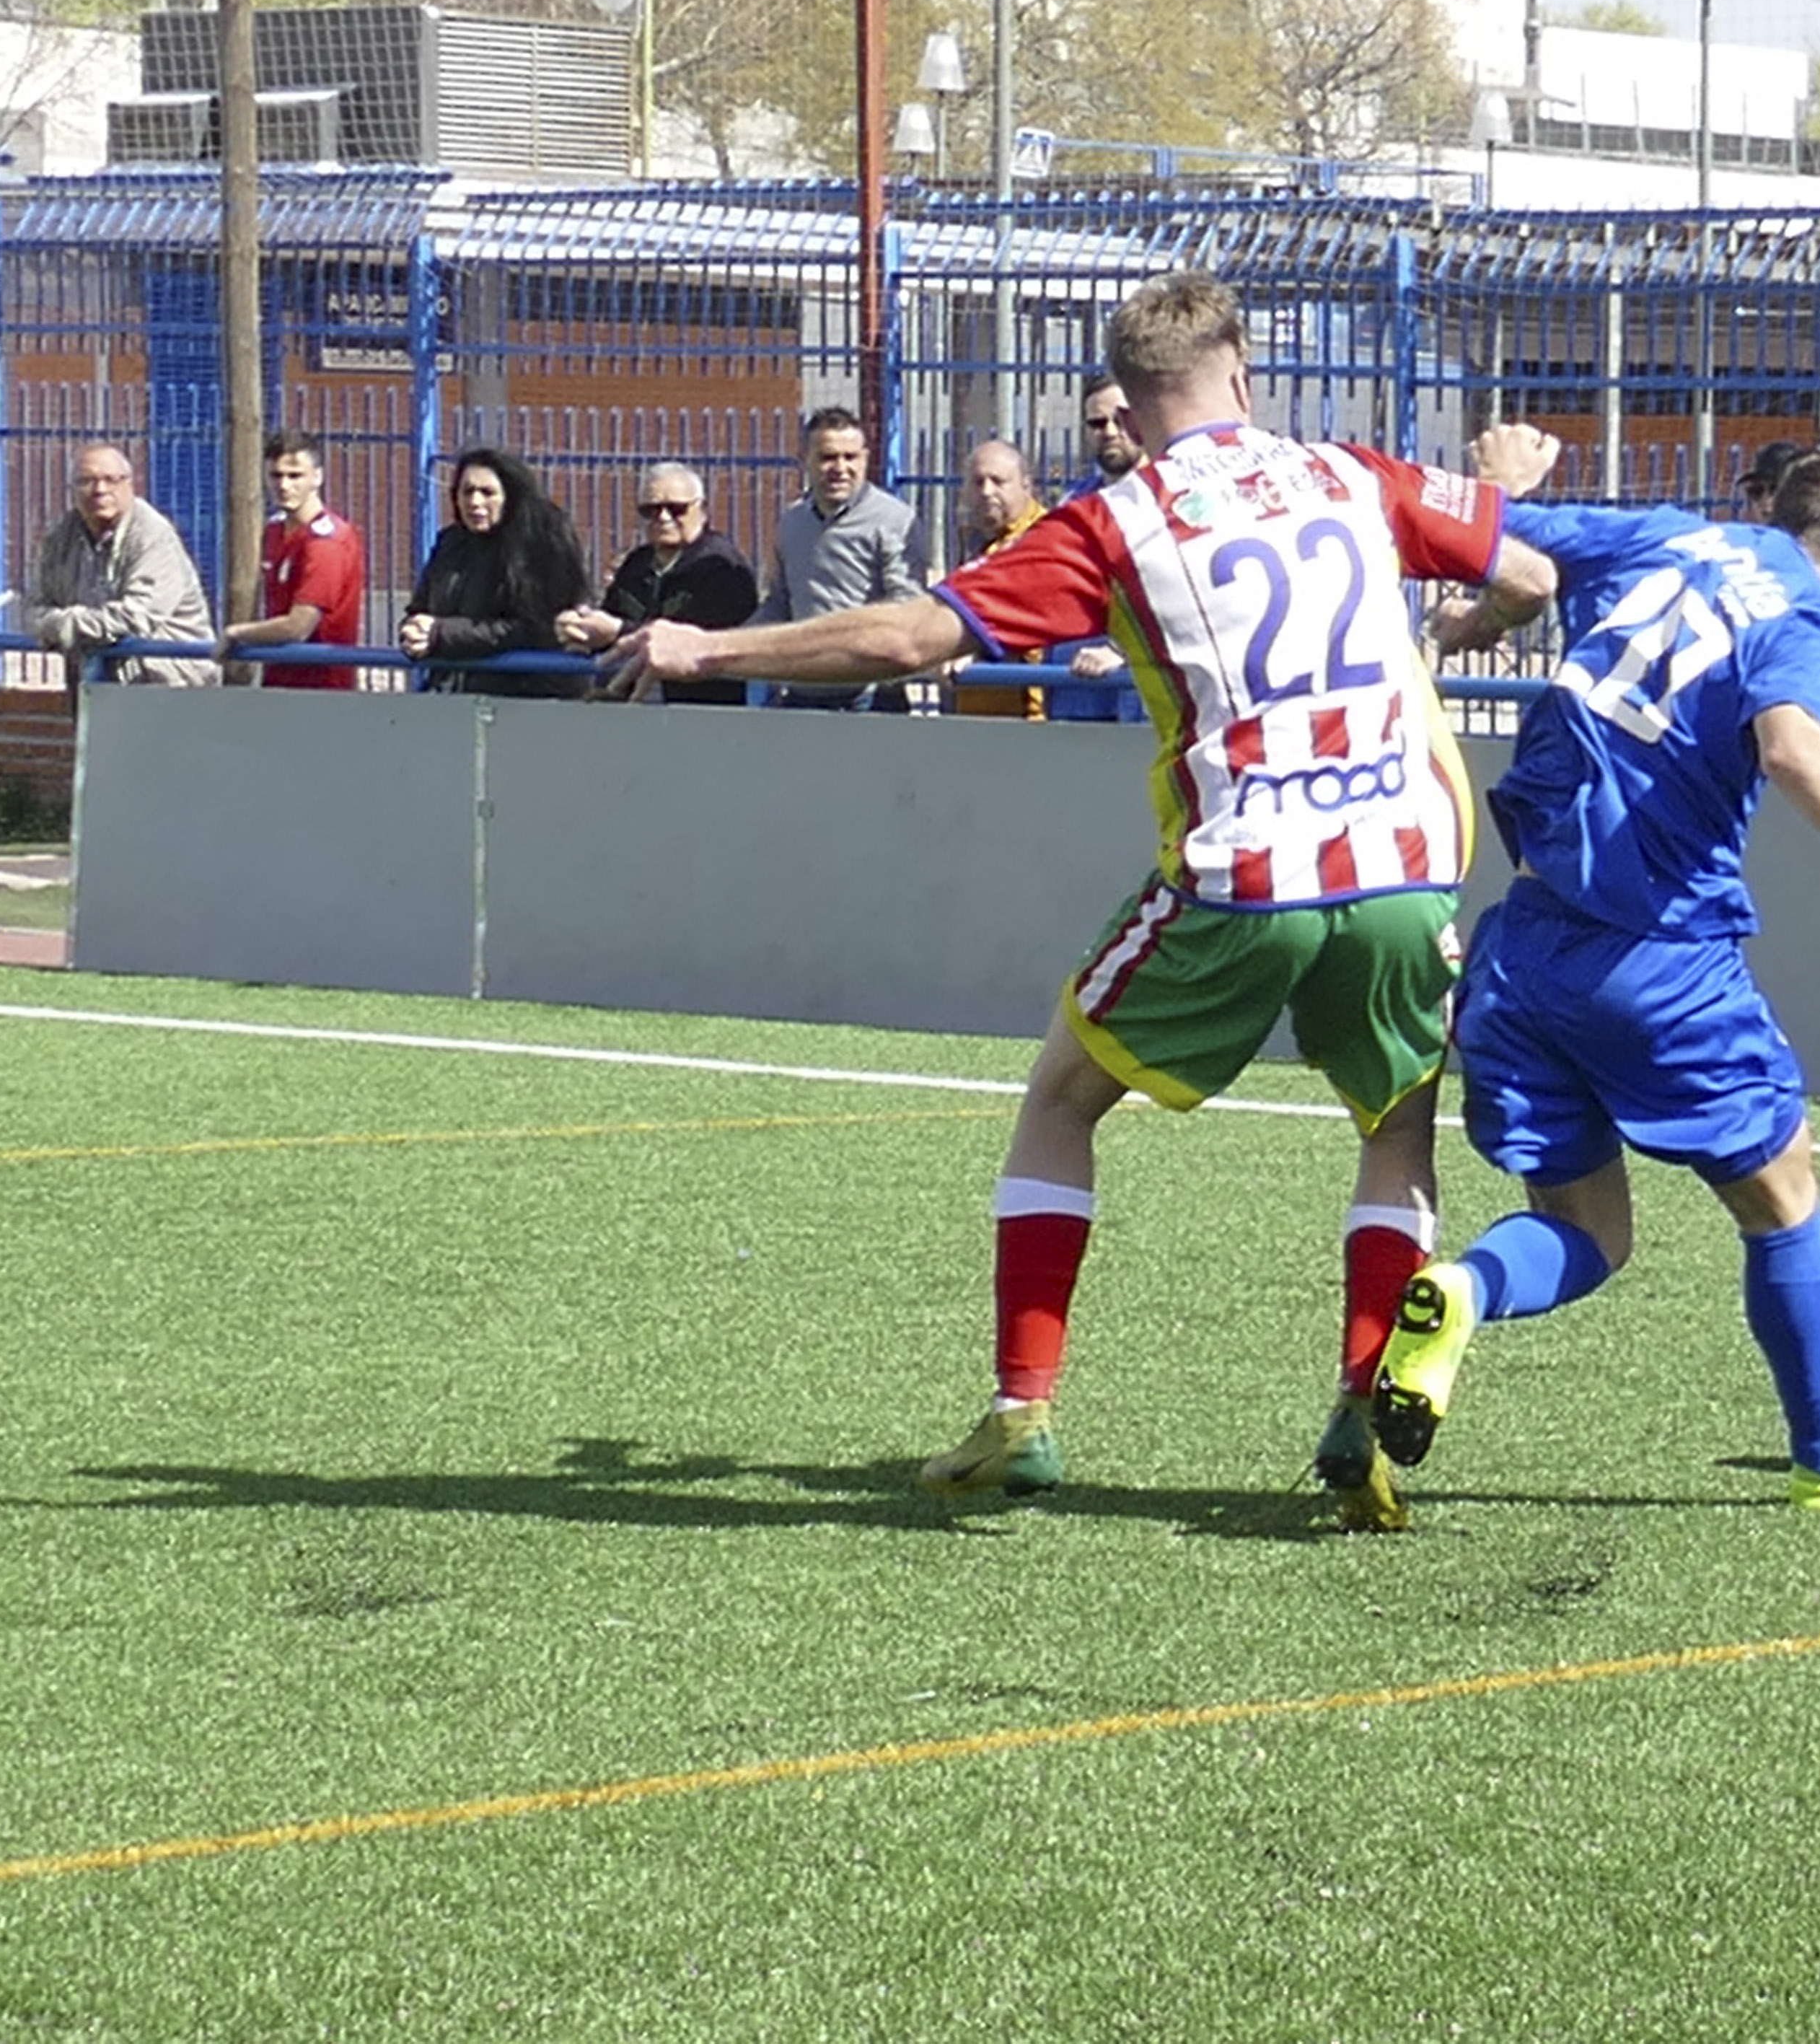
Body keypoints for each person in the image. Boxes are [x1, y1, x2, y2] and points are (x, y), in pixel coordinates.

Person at [610, 271, 1557, 1531]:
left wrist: (706, 647)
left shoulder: (1116, 521)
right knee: (1393, 1129)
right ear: (1240, 361)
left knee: (1061, 1096)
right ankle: (1357, 1401)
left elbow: (905, 642)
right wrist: (1468, 614)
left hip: (1248, 867)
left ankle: (1021, 1412)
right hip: (1400, 860)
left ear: (1122, 394)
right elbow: (1535, 575)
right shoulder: (1352, 474)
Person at [1367, 439, 1820, 1510]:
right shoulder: (1801, 620)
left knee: (1588, 1229)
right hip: (1660, 959)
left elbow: (1504, 547)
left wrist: (1492, 554)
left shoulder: (1671, 533)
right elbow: (1792, 748)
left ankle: (1464, 1288)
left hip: (1525, 945)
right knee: (1784, 1197)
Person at [753, 405, 925, 712]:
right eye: (828, 457)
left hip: (871, 697)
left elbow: (907, 608)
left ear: (866, 458)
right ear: (805, 459)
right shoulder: (791, 523)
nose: (840, 468)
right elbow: (779, 603)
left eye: (850, 457)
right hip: (802, 694)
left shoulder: (894, 520)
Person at [555, 461, 758, 705]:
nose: (663, 518)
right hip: (632, 709)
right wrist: (583, 629)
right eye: (650, 510)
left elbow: (702, 642)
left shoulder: (722, 568)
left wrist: (617, 632)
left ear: (702, 510)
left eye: (676, 509)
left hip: (700, 710)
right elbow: (612, 617)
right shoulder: (637, 564)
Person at [400, 445, 592, 699]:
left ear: (510, 496)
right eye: (467, 492)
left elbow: (538, 626)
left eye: (487, 493)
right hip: (455, 693)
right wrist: (412, 632)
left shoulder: (543, 539)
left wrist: (442, 634)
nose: (475, 502)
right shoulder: (451, 542)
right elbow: (421, 608)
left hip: (532, 694)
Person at [25, 442, 221, 690]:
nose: (100, 490)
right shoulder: (60, 536)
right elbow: (33, 608)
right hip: (96, 684)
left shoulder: (152, 535)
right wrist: (54, 625)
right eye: (87, 481)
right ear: (72, 489)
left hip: (171, 682)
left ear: (130, 484)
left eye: (111, 480)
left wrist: (64, 625)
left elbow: (136, 616)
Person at [221, 431, 366, 690]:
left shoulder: (327, 542)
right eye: (276, 476)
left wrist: (237, 634)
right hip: (279, 683)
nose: (284, 485)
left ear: (318, 477)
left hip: (322, 691)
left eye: (295, 476)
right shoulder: (275, 532)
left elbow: (299, 627)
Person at [1041, 380, 1147, 725]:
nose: (1111, 432)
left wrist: (1124, 651)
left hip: (1142, 698)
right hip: (1075, 691)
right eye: (1098, 424)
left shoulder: (1175, 498)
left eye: (1122, 420)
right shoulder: (1072, 505)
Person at [943, 439, 1049, 718]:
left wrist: (973, 651)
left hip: (1027, 716)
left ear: (1026, 485)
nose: (987, 492)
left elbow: (1026, 625)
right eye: (978, 482)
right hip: (979, 713)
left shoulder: (1044, 540)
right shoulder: (974, 539)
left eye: (998, 482)